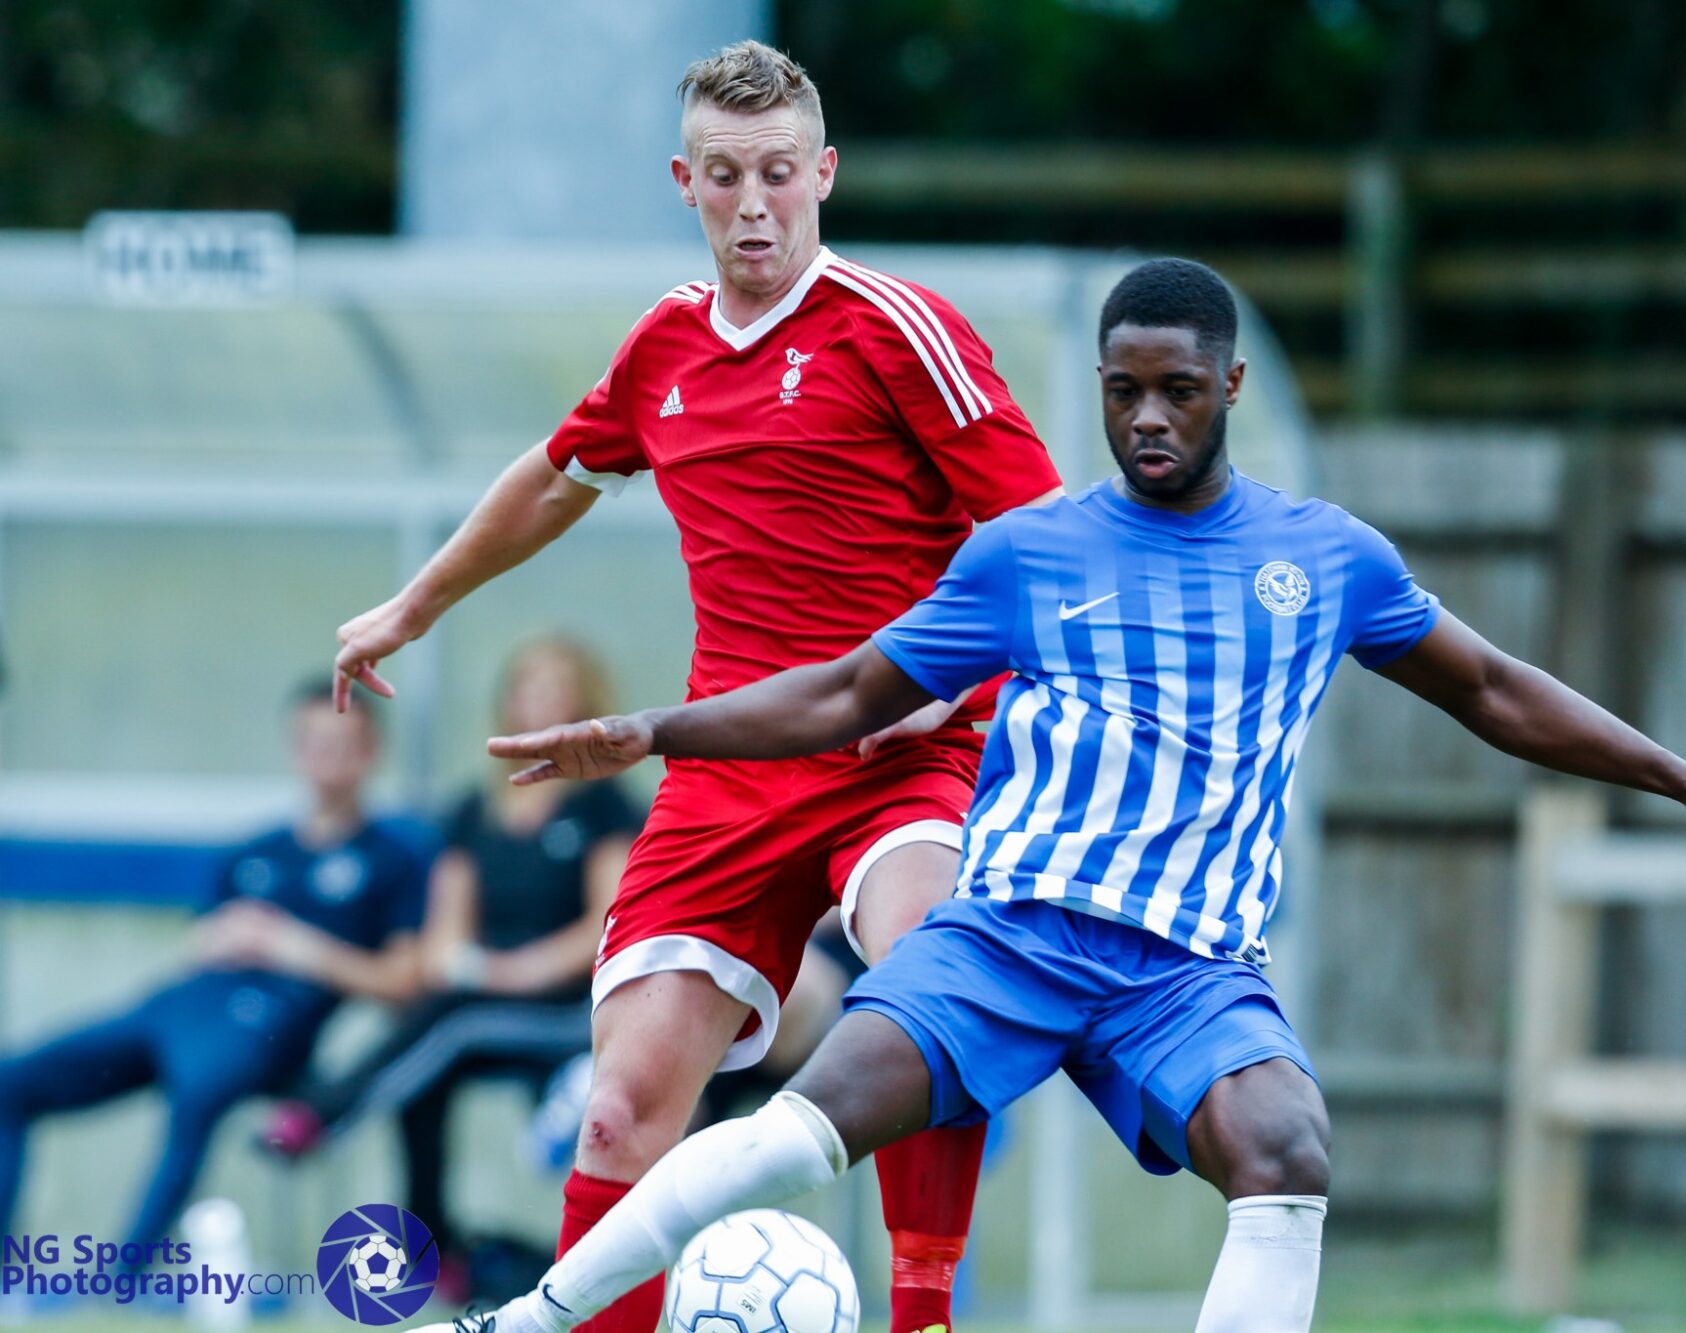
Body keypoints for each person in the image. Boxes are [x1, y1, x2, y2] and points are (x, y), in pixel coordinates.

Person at [418, 258, 1686, 1333]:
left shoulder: (1323, 559)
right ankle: (533, 1313)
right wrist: (657, 729)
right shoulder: (1029, 553)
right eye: (1123, 390)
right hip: (1012, 936)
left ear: (1231, 387)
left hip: (1185, 970)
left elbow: (1495, 689)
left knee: (1286, 1143)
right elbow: (848, 696)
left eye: (1177, 391)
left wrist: (1679, 773)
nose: (1147, 417)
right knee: (792, 1136)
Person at [328, 39, 1062, 1333]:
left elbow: (1046, 537)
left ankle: (925, 1319)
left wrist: (971, 680)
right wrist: (411, 605)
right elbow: (559, 472)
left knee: (925, 985)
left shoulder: (899, 331)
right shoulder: (667, 344)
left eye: (779, 173)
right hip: (729, 771)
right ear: (685, 180)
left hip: (911, 757)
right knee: (617, 1106)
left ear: (822, 172)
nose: (755, 204)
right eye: (725, 177)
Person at [0, 683, 427, 1262]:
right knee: (13, 1081)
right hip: (182, 1007)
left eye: (343, 743)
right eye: (314, 742)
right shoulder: (255, 851)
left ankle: (126, 1273)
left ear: (372, 752)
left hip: (273, 1026)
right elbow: (200, 941)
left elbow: (403, 983)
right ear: (295, 750)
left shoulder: (396, 857)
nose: (327, 756)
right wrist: (219, 939)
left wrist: (292, 945)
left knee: (196, 1090)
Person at [263, 639, 639, 1289]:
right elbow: (446, 927)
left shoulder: (603, 807)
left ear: (585, 704)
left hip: (569, 1005)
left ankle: (325, 1114)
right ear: (510, 700)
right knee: (427, 1058)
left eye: (559, 688)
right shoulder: (474, 810)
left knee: (451, 1024)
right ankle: (437, 1254)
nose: (543, 700)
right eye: (531, 686)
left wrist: (513, 971)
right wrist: (459, 964)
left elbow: (607, 922)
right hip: (485, 999)